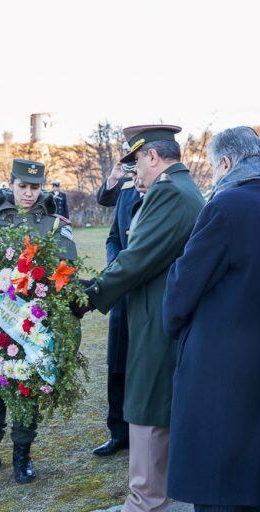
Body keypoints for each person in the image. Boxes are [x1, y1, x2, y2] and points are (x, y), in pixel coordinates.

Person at [164, 127, 260, 511]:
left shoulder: (226, 206)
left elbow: (185, 282)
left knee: (218, 486)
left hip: (219, 367)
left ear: (225, 163)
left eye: (213, 166)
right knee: (255, 482)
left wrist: (173, 323)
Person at [72, 124, 204, 512]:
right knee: (159, 402)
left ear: (152, 156)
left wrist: (88, 295)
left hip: (156, 316)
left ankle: (145, 499)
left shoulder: (168, 192)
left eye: (137, 164)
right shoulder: (182, 189)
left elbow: (136, 258)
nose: (135, 173)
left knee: (147, 403)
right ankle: (157, 492)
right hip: (161, 311)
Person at [0, 159, 77, 485]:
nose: (28, 193)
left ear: (42, 187)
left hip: (36, 319)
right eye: (22, 186)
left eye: (35, 187)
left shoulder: (56, 223)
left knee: (26, 384)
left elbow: (66, 264)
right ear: (11, 185)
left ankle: (22, 456)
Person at [92, 160, 142, 457]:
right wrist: (114, 266)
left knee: (144, 365)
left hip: (147, 293)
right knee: (118, 363)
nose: (135, 178)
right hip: (122, 293)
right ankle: (118, 432)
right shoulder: (125, 193)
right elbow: (113, 237)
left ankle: (143, 432)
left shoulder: (164, 196)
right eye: (131, 172)